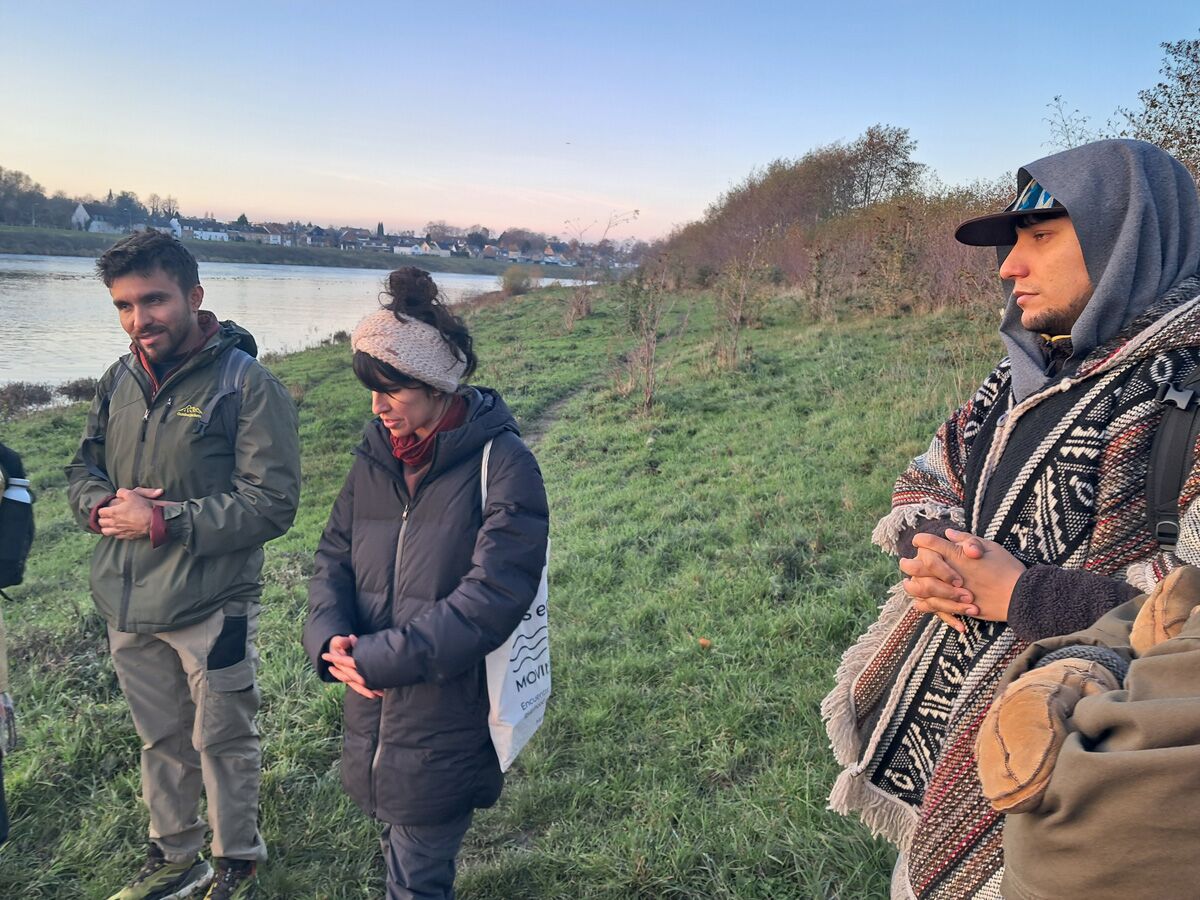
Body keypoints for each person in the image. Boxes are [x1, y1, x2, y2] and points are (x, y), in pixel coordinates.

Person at [822, 139, 1200, 899]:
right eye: (1013, 242)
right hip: (963, 742)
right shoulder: (1026, 368)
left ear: (1126, 239)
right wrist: (935, 555)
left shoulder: (1185, 390)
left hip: (1079, 774)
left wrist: (1024, 596)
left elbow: (1190, 617)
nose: (1009, 267)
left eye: (1042, 237)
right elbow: (937, 470)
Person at [66, 231, 301, 900]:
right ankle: (175, 855)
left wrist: (164, 520)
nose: (139, 320)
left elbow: (272, 503)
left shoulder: (247, 385)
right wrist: (101, 506)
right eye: (124, 305)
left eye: (154, 300)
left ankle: (236, 863)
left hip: (212, 603)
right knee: (160, 740)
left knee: (222, 740)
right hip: (127, 602)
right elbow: (82, 466)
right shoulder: (118, 378)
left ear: (195, 297)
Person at [303, 267, 549, 900]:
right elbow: (333, 555)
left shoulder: (506, 464)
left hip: (449, 718)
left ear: (437, 385)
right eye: (371, 391)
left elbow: (492, 598)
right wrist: (330, 639)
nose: (377, 408)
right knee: (397, 847)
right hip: (371, 709)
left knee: (417, 875)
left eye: (391, 391)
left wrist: (381, 658)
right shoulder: (376, 455)